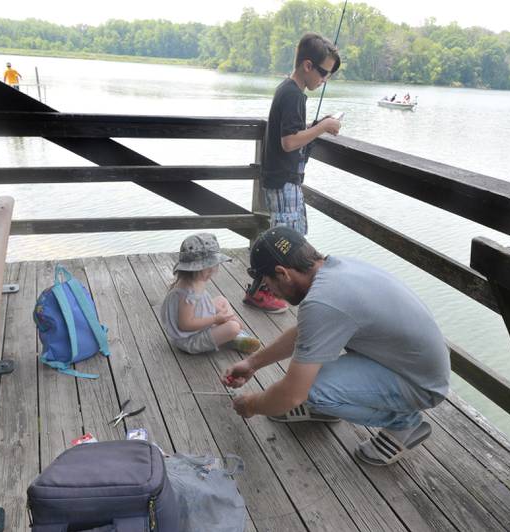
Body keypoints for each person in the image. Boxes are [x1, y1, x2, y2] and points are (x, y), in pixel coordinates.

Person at [223, 227, 450, 466]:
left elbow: (292, 394)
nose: (271, 292)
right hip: (407, 363)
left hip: (420, 384)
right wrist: (252, 363)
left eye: (268, 284)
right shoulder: (336, 268)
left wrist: (252, 405)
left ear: (282, 273)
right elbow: (307, 332)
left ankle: (404, 424)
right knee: (304, 381)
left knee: (309, 390)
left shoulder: (323, 300)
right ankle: (328, 407)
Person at [243, 32, 342, 314]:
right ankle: (261, 292)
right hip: (283, 181)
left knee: (291, 235)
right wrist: (323, 127)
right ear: (308, 65)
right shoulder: (293, 94)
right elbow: (289, 142)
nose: (325, 80)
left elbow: (293, 133)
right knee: (285, 242)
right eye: (324, 72)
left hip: (283, 180)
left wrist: (316, 124)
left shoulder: (287, 90)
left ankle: (262, 290)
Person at [161, 233, 261, 355]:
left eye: (214, 266)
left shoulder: (193, 280)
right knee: (233, 327)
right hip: (189, 340)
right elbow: (185, 325)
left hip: (197, 326)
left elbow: (199, 305)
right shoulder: (187, 294)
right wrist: (215, 318)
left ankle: (229, 332)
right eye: (209, 268)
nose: (213, 271)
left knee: (221, 300)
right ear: (195, 268)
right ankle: (233, 335)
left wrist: (216, 311)